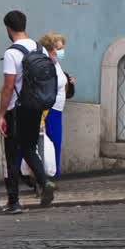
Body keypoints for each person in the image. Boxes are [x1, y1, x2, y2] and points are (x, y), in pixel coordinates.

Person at [0, 10, 56, 213]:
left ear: (8, 28)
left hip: (16, 108)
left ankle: (14, 202)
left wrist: (1, 113)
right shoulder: (40, 48)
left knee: (12, 155)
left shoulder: (11, 53)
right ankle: (45, 182)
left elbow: (8, 86)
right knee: (29, 148)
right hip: (35, 107)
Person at [36, 31, 73, 178]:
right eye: (59, 48)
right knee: (49, 143)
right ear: (50, 49)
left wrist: (69, 82)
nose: (62, 51)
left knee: (55, 143)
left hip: (57, 110)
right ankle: (47, 174)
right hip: (49, 110)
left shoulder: (56, 63)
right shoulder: (45, 65)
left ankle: (53, 173)